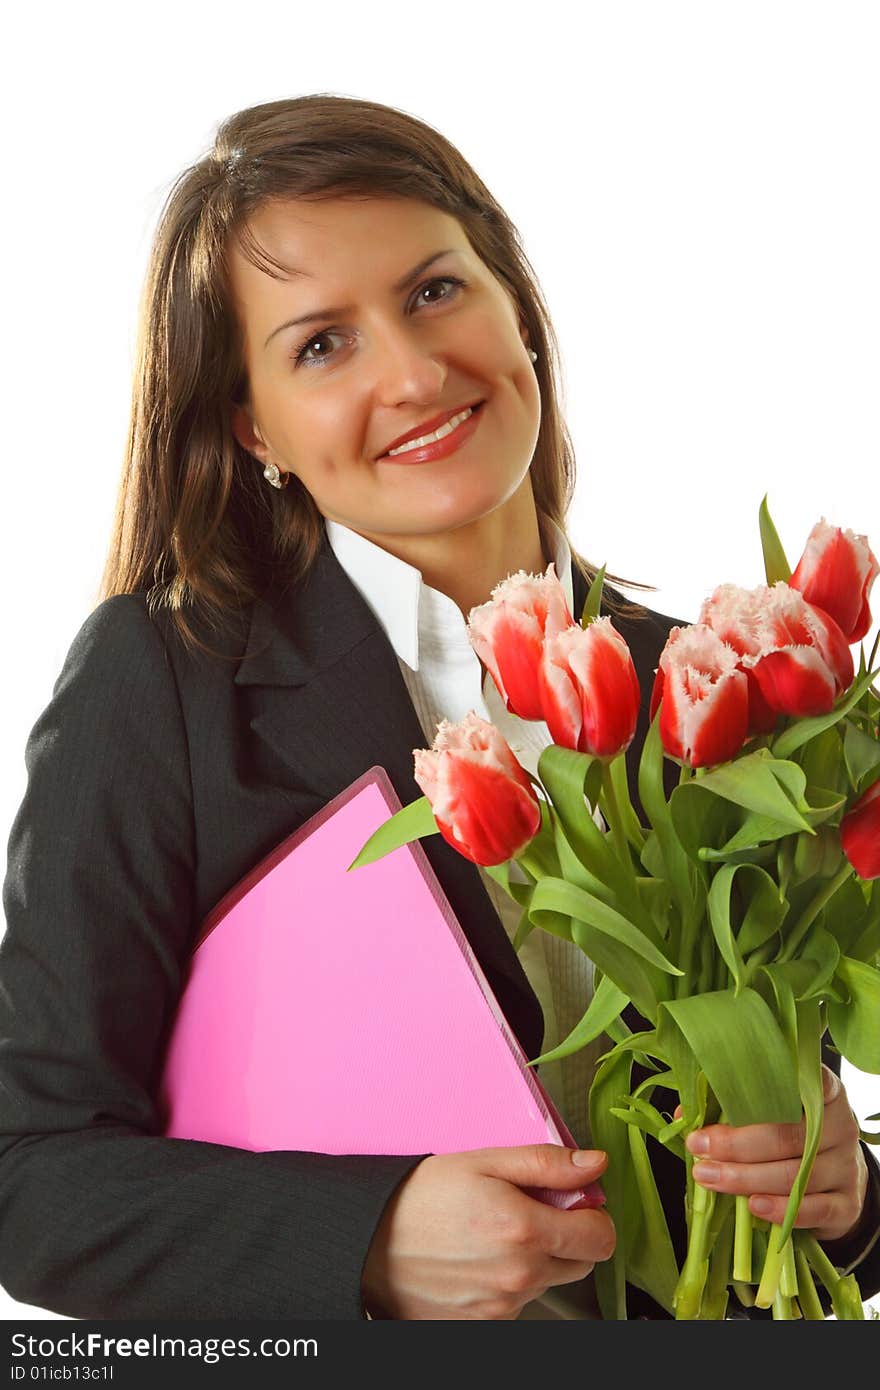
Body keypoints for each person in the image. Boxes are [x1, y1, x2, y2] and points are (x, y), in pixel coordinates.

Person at [1, 94, 877, 1322]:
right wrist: (365, 1238)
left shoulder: (715, 683)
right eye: (320, 344)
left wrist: (843, 1191)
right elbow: (31, 1179)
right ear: (255, 426)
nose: (414, 373)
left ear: (512, 299)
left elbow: (798, 1177)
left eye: (432, 292)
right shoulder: (164, 681)